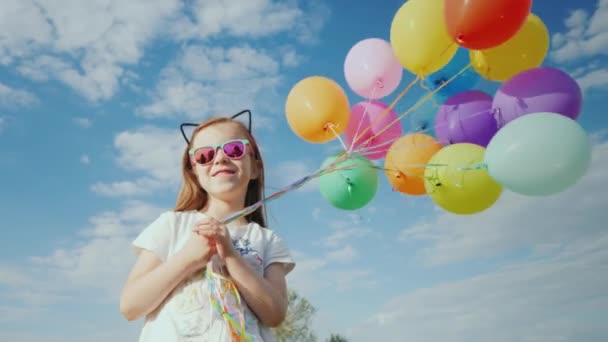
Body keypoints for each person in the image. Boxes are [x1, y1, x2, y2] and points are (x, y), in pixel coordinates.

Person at [119, 112, 296, 341]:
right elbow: (130, 305)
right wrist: (189, 258)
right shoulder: (172, 225)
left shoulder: (267, 241)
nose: (220, 159)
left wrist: (231, 256)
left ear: (255, 168)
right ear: (194, 172)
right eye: (205, 155)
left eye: (234, 150)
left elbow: (274, 314)